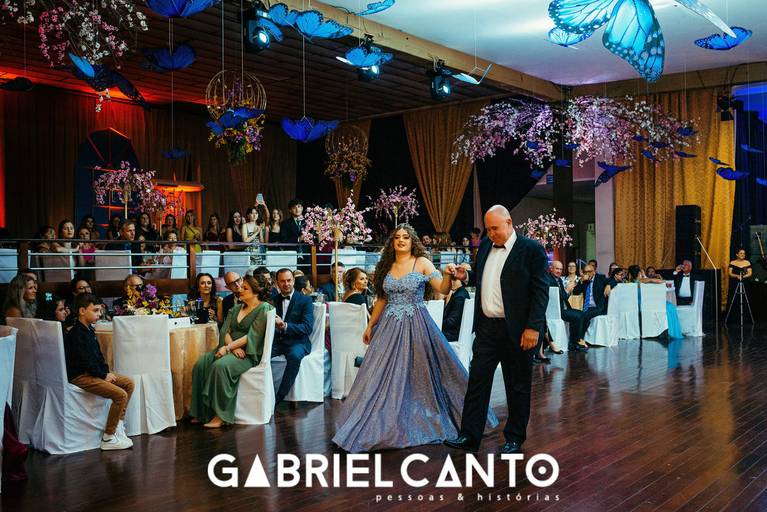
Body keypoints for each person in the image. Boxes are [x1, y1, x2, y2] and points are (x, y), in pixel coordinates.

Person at [333, 224, 497, 453]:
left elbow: (443, 288)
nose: (401, 240)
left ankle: (437, 417)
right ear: (392, 242)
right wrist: (370, 325)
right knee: (382, 373)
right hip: (389, 326)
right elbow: (382, 299)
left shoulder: (422, 262)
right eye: (397, 237)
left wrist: (447, 275)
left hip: (416, 323)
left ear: (412, 241)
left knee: (421, 372)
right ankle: (386, 420)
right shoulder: (386, 266)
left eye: (406, 237)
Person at [190, 274, 273, 428]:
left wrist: (229, 348)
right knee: (200, 365)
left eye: (245, 288)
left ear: (256, 292)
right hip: (230, 348)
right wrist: (231, 347)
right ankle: (203, 413)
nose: (240, 289)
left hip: (248, 353)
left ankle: (221, 415)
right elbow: (225, 331)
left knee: (220, 367)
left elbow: (252, 336)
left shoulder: (264, 308)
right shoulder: (235, 308)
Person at [65, 293, 134, 450]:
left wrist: (106, 372)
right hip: (80, 376)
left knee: (128, 383)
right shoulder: (76, 334)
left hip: (92, 372)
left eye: (99, 310)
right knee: (120, 395)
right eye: (95, 310)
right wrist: (103, 375)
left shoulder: (89, 330)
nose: (99, 314)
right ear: (82, 311)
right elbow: (84, 362)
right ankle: (108, 437)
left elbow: (97, 356)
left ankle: (118, 425)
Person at [271, 269, 314, 406]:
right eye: (282, 281)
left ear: (294, 281)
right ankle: (263, 395)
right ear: (277, 283)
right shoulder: (273, 300)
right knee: (259, 354)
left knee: (294, 356)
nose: (286, 284)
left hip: (298, 341)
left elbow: (307, 328)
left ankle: (279, 397)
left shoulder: (305, 300)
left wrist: (284, 326)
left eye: (289, 280)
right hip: (277, 341)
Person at [547, 261, 586, 353]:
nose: (559, 271)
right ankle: (573, 344)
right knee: (577, 316)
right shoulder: (549, 280)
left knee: (581, 314)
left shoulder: (558, 280)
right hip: (556, 310)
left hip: (563, 307)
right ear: (551, 268)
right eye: (557, 269)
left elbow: (564, 297)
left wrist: (567, 291)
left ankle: (576, 341)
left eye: (561, 269)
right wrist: (567, 290)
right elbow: (558, 298)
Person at [572, 263, 608, 347]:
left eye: (589, 271)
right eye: (585, 272)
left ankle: (579, 339)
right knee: (577, 316)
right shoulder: (584, 281)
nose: (587, 274)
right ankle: (576, 339)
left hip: (598, 306)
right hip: (587, 307)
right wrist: (581, 281)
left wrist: (609, 285)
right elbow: (575, 292)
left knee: (584, 316)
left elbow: (612, 280)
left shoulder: (600, 278)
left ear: (594, 271)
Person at [442, 264, 471, 342]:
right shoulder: (458, 293)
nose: (451, 282)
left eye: (454, 279)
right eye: (450, 279)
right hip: (451, 331)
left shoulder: (459, 297)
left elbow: (453, 321)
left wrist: (438, 323)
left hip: (452, 334)